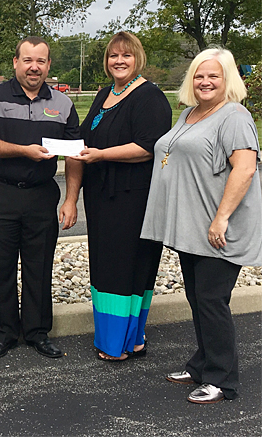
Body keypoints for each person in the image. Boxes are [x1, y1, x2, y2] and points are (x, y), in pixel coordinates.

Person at [141, 48, 262, 403]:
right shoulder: (191, 113)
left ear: (228, 80)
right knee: (199, 298)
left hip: (219, 229)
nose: (205, 82)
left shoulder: (234, 116)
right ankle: (202, 364)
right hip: (193, 228)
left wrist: (221, 217)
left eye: (214, 76)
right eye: (199, 75)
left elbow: (245, 168)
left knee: (211, 300)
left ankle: (222, 380)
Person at [0, 36, 82, 360]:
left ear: (48, 65)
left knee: (39, 265)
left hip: (41, 195)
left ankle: (36, 332)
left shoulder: (63, 105)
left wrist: (72, 198)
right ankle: (4, 334)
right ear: (16, 62)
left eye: (41, 61)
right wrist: (23, 151)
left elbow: (74, 156)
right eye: (28, 60)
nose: (34, 67)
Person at [73, 32, 172, 361]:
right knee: (105, 264)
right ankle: (126, 339)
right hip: (102, 197)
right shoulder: (105, 94)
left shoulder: (150, 97)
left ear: (137, 58)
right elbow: (83, 137)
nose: (119, 61)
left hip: (132, 198)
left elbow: (147, 147)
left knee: (125, 265)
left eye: (126, 55)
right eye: (113, 55)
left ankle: (121, 344)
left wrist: (100, 155)